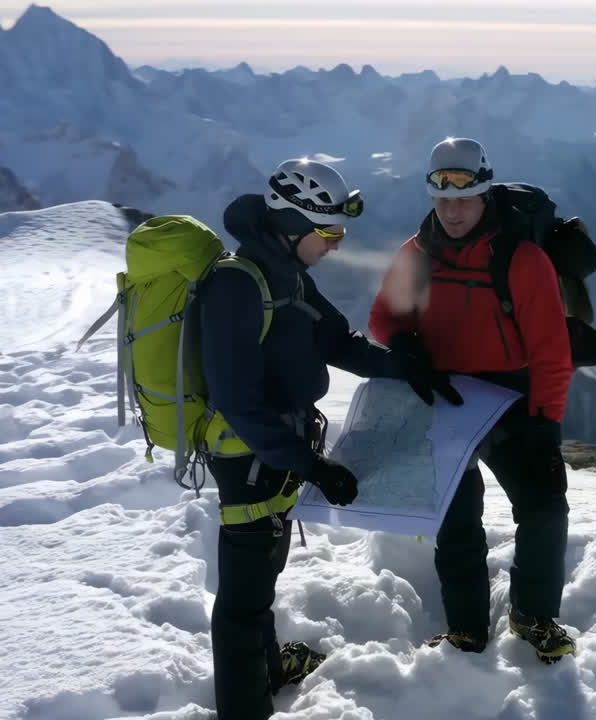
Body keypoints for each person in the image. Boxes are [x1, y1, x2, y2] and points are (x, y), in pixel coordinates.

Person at [197, 158, 460, 719]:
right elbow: (237, 401)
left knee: (263, 570)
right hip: (248, 455)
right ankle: (243, 709)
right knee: (244, 592)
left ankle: (267, 670)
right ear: (292, 227)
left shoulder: (287, 274)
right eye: (328, 232)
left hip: (277, 450)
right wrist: (311, 467)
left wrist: (405, 369)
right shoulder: (236, 286)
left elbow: (338, 341)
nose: (337, 245)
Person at [368, 138, 576, 663]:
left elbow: (552, 349)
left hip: (514, 397)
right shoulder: (416, 252)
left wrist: (548, 418)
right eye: (442, 200)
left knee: (544, 508)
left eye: (464, 198)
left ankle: (533, 615)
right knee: (457, 520)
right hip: (448, 395)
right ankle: (465, 630)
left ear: (484, 194)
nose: (453, 211)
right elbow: (383, 318)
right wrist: (405, 344)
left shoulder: (522, 259)